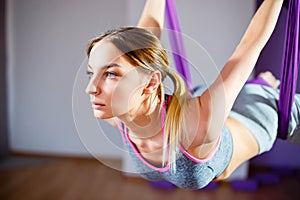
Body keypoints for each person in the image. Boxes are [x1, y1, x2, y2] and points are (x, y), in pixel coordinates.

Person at [85, 0, 299, 190]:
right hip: (194, 102)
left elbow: (249, 46)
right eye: (92, 74)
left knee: (260, 95)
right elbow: (144, 41)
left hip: (254, 116)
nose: (91, 88)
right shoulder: (117, 116)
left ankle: (264, 85)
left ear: (150, 83)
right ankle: (262, 83)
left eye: (110, 74)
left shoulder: (196, 125)